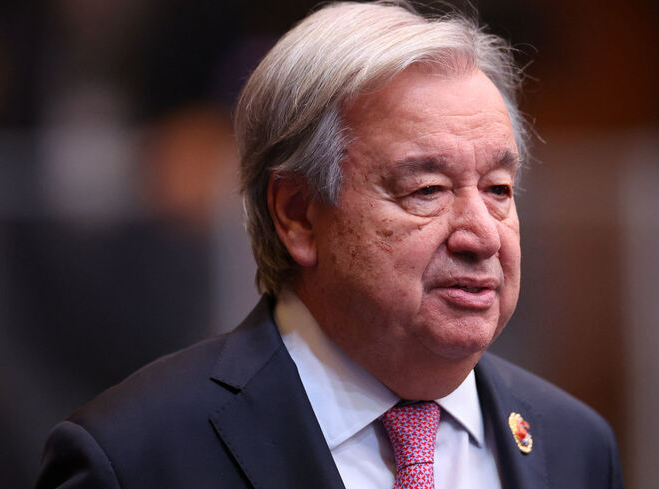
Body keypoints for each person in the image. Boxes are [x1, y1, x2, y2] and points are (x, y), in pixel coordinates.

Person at [35, 2, 625, 488]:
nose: (482, 235)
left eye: (499, 188)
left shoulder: (575, 447)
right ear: (297, 215)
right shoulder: (136, 457)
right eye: (426, 189)